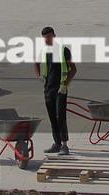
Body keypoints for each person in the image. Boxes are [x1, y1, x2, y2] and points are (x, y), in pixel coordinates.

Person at [34, 26, 76, 155]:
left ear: (54, 36)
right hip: (48, 90)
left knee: (60, 117)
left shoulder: (64, 51)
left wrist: (65, 85)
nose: (47, 40)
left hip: (60, 90)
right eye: (45, 38)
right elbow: (36, 63)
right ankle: (57, 144)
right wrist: (39, 76)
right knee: (52, 117)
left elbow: (73, 69)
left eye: (49, 37)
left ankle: (64, 145)